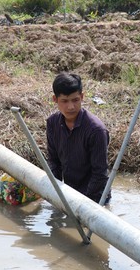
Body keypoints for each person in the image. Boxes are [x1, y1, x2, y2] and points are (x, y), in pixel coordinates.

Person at [46, 72, 110, 204]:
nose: (71, 107)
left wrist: (83, 203)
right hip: (68, 193)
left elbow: (99, 173)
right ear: (55, 99)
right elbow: (54, 161)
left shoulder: (96, 130)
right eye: (64, 101)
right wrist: (55, 193)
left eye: (75, 100)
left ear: (82, 97)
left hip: (95, 199)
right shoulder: (53, 123)